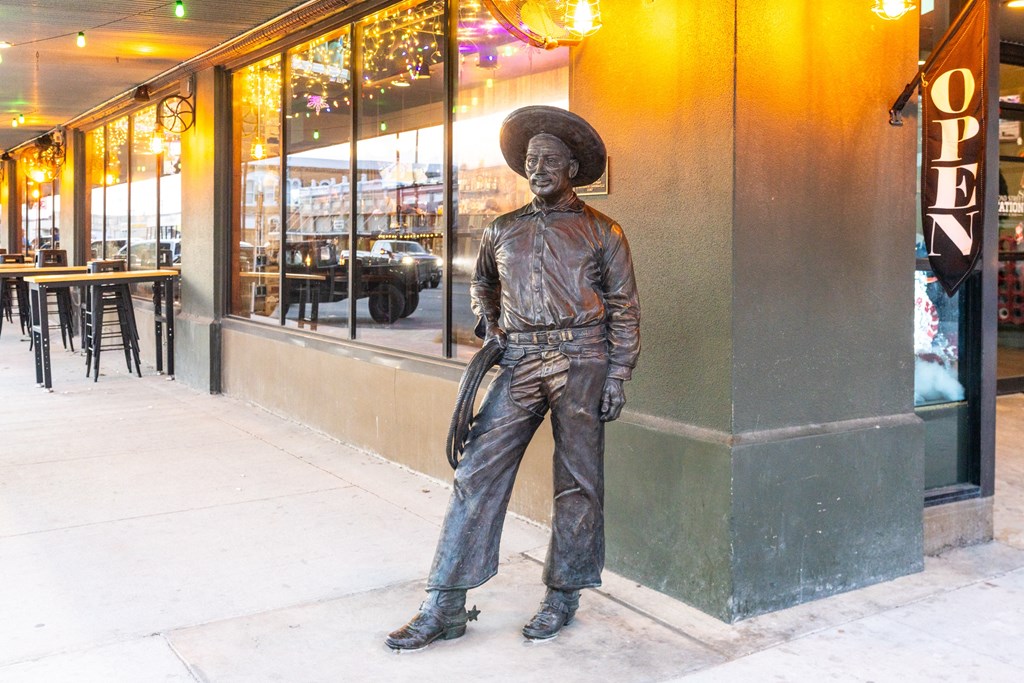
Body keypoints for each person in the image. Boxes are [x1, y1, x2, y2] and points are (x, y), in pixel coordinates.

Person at [385, 106, 640, 650]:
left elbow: (624, 306)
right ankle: (445, 603)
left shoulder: (602, 231)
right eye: (531, 160)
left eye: (549, 159)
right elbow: (482, 285)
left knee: (578, 482)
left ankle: (563, 593)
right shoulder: (503, 229)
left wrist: (618, 373)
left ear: (572, 166)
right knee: (476, 471)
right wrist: (494, 325)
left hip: (582, 358)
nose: (538, 167)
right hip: (520, 361)